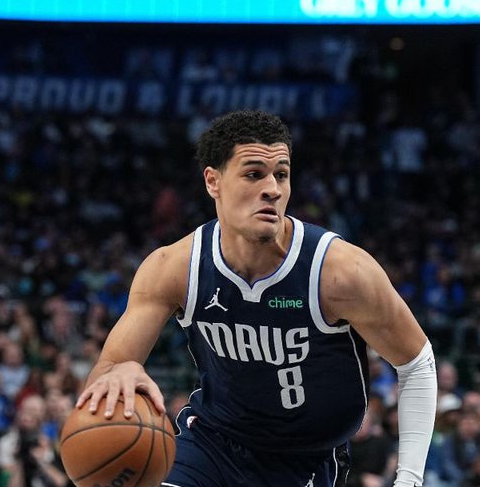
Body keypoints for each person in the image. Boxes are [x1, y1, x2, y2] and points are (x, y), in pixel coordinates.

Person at [76, 110, 437, 487]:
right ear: (213, 181)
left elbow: (416, 363)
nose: (273, 189)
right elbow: (107, 371)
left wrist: (408, 480)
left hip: (305, 457)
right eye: (254, 174)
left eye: (281, 174)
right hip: (212, 443)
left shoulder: (339, 271)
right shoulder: (174, 267)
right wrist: (123, 370)